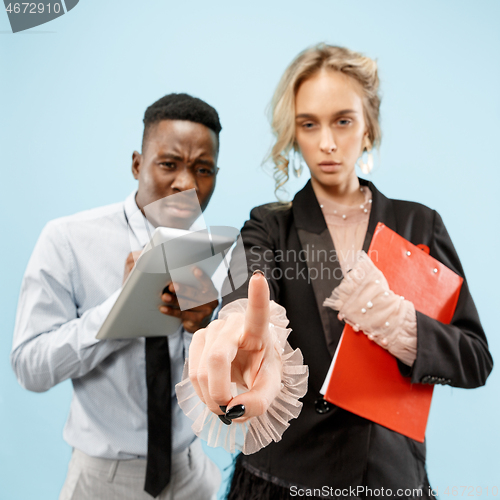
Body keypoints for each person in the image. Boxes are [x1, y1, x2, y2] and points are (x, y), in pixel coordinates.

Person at [186, 45, 494, 499]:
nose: (327, 142)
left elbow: (474, 360)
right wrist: (237, 334)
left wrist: (390, 317)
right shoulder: (269, 224)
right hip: (282, 479)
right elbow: (246, 294)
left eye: (343, 121)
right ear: (294, 133)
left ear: (368, 128)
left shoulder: (420, 225)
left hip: (389, 480)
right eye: (309, 124)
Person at [11, 93, 223, 500]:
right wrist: (125, 308)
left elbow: (224, 394)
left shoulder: (216, 251)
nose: (186, 184)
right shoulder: (68, 239)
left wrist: (205, 331)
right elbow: (29, 368)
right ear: (137, 165)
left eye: (203, 169)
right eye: (169, 164)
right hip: (102, 483)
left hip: (192, 475)